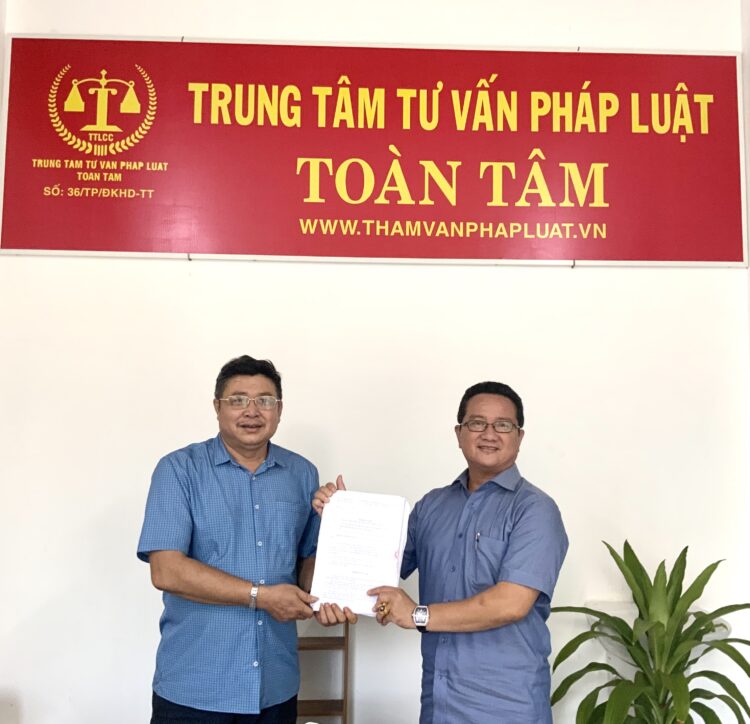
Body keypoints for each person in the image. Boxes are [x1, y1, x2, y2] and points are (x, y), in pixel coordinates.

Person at [314, 381, 568, 723]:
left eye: (503, 425)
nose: (489, 433)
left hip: (508, 705)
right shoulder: (431, 506)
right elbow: (376, 572)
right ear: (459, 433)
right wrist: (341, 517)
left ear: (519, 437)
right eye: (477, 423)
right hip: (439, 702)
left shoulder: (535, 510)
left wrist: (417, 615)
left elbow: (511, 603)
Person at [138, 355, 328, 724]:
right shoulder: (178, 470)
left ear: (279, 409)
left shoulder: (303, 473)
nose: (252, 411)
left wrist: (339, 532)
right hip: (196, 689)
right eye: (238, 400)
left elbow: (307, 563)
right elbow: (166, 571)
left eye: (265, 400)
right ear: (217, 407)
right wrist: (261, 596)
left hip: (275, 685)